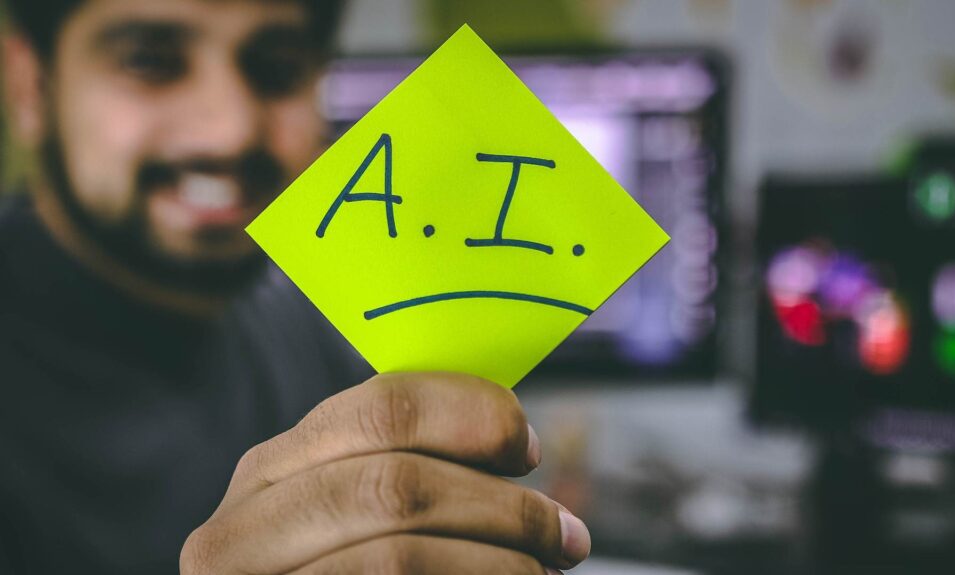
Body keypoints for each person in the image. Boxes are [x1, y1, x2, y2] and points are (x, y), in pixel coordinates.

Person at [0, 0, 591, 573]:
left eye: (277, 68)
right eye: (149, 62)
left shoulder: (322, 328)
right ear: (31, 85)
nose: (229, 130)